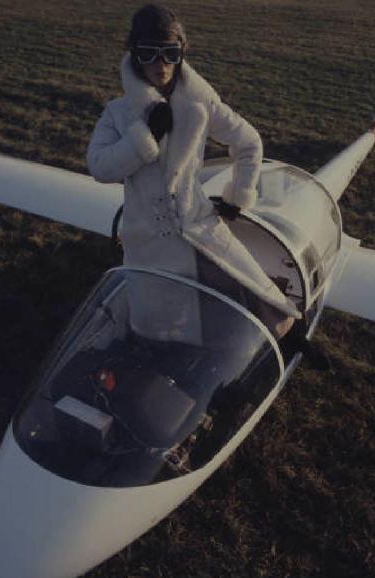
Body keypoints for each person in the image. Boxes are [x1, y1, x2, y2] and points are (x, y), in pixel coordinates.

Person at [87, 4, 299, 344]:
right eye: (148, 53)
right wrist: (144, 138)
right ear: (134, 54)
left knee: (255, 294)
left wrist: (238, 196)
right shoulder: (119, 113)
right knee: (155, 332)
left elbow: (248, 142)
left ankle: (281, 340)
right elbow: (98, 166)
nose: (161, 64)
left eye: (170, 53)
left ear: (182, 52)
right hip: (146, 240)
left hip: (200, 227)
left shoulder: (200, 104)